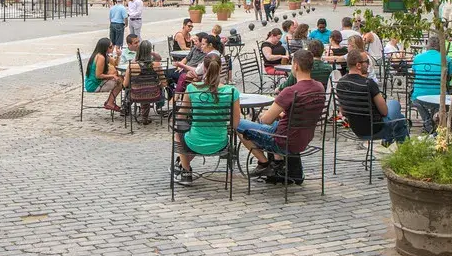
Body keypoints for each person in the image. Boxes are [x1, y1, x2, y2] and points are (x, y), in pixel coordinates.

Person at [238, 49, 326, 179]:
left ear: (295, 66)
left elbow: (265, 120)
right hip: (304, 138)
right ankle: (277, 163)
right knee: (275, 121)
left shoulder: (291, 91)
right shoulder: (319, 87)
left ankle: (265, 164)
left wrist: (263, 115)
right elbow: (301, 113)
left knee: (237, 122)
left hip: (283, 141)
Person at [173, 53, 241, 186]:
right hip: (220, 143)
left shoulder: (192, 88)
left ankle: (186, 172)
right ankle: (181, 165)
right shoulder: (232, 92)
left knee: (178, 130)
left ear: (203, 68)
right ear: (221, 69)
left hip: (194, 142)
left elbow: (181, 116)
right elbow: (235, 124)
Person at [335, 49, 409, 150]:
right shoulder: (368, 83)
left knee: (400, 119)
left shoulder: (340, 83)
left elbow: (343, 112)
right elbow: (384, 111)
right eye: (367, 62)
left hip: (356, 129)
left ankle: (391, 143)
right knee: (395, 104)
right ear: (358, 65)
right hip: (376, 129)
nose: (369, 65)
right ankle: (397, 147)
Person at [411, 37, 452, 134]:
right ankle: (433, 122)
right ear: (440, 47)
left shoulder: (417, 58)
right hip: (439, 96)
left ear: (428, 46)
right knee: (441, 100)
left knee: (416, 99)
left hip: (418, 96)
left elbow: (414, 72)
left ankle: (428, 123)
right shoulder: (446, 59)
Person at [123, 40, 166, 125]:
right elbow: (164, 83)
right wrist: (156, 85)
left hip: (135, 95)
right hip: (154, 94)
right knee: (147, 89)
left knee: (139, 89)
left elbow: (125, 84)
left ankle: (127, 109)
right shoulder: (156, 65)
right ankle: (145, 117)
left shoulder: (132, 66)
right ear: (150, 51)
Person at [84, 37, 123, 112]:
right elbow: (98, 75)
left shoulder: (104, 55)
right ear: (105, 48)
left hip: (92, 82)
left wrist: (118, 55)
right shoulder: (101, 57)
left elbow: (115, 63)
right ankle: (110, 103)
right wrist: (113, 76)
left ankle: (110, 102)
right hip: (93, 85)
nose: (112, 48)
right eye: (111, 47)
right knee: (120, 81)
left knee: (120, 77)